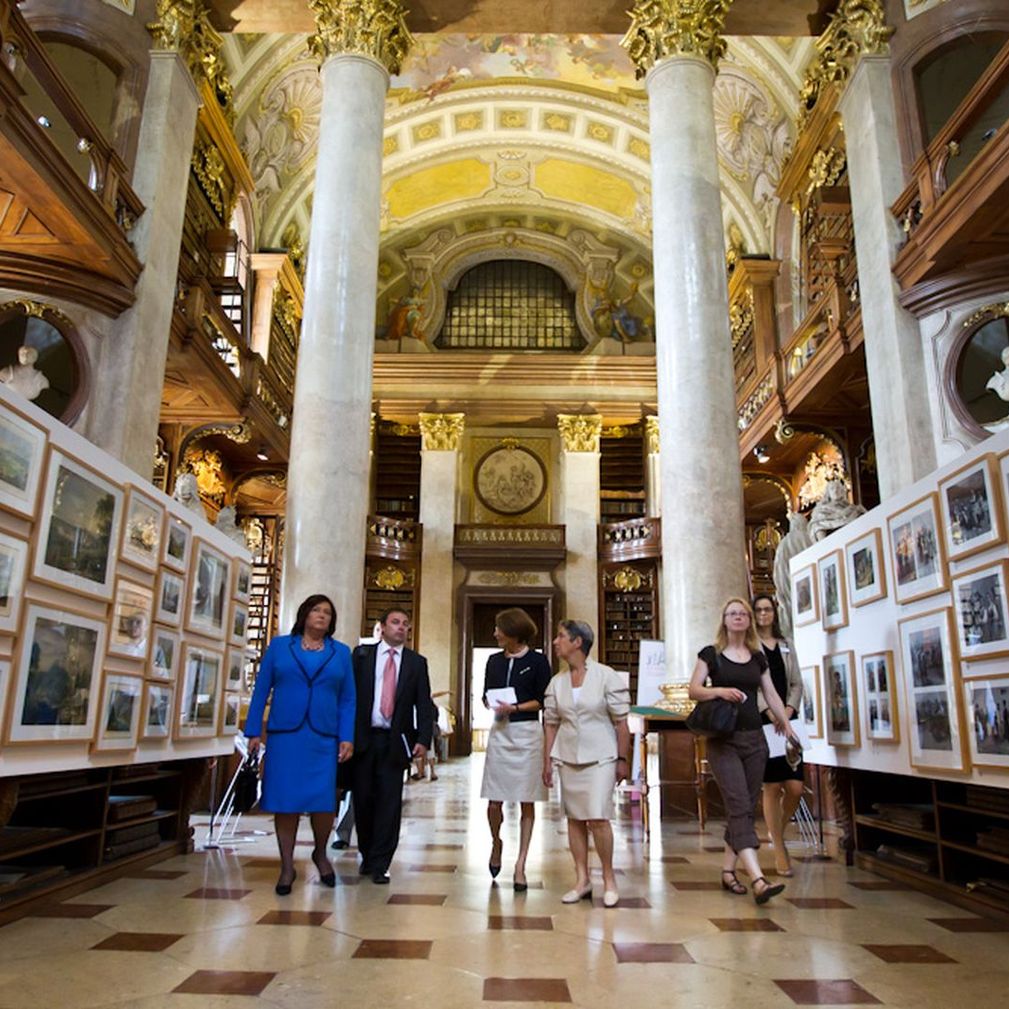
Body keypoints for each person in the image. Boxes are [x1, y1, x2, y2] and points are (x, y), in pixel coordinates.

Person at [690, 597, 800, 905]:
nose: (738, 617)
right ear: (724, 620)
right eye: (732, 613)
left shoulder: (756, 656)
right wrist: (719, 691)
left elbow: (771, 693)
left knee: (744, 807)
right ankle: (758, 879)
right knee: (738, 803)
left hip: (755, 740)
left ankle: (728, 871)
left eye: (742, 614)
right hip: (724, 740)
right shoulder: (711, 654)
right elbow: (693, 689)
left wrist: (786, 724)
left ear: (749, 620)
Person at [244, 594, 356, 895]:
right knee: (285, 800)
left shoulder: (340, 653)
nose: (322, 616)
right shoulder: (281, 647)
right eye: (316, 610)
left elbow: (348, 699)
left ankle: (320, 853)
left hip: (324, 736)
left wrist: (347, 736)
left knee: (323, 802)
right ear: (304, 614)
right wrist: (253, 730)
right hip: (286, 735)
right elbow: (261, 690)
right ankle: (286, 865)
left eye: (328, 613)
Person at [543, 619, 630, 908]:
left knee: (598, 816)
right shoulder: (557, 682)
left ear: (577, 642)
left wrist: (623, 759)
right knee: (575, 818)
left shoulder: (606, 676)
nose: (556, 642)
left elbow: (620, 723)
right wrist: (547, 761)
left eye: (561, 637)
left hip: (602, 755)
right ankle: (582, 880)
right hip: (568, 756)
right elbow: (551, 724)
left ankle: (609, 879)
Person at [349, 607, 433, 884]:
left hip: (395, 740)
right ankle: (367, 853)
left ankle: (381, 862)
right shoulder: (362, 656)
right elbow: (350, 698)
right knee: (363, 799)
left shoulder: (416, 663)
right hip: (363, 738)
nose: (401, 628)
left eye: (406, 624)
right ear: (382, 627)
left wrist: (423, 739)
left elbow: (423, 703)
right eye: (395, 622)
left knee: (389, 801)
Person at [479, 607, 553, 892]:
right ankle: (496, 841)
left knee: (527, 799)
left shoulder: (537, 661)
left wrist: (516, 707)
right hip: (500, 731)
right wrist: (491, 703)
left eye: (499, 628)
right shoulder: (493, 661)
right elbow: (486, 693)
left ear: (512, 631)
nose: (495, 633)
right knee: (494, 800)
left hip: (526, 733)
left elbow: (542, 699)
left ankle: (521, 863)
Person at [753, 593, 804, 877]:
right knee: (772, 786)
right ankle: (780, 849)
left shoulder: (786, 645)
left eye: (768, 609)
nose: (764, 614)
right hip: (765, 723)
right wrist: (772, 713)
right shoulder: (751, 646)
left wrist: (788, 710)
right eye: (759, 610)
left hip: (790, 722)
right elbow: (754, 685)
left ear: (774, 613)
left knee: (795, 787)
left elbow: (796, 682)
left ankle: (777, 833)